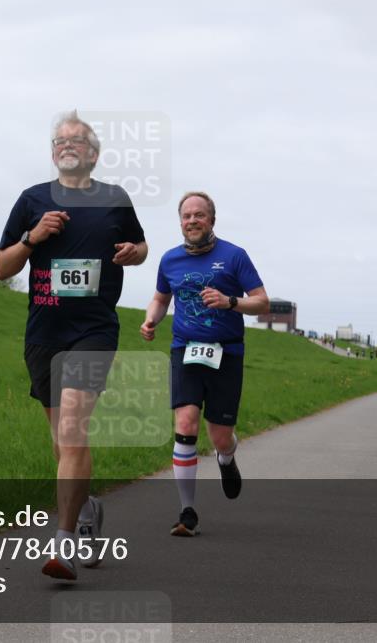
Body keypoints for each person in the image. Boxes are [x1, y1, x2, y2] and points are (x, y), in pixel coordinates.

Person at [0, 110, 148, 580]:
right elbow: (2, 267)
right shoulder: (32, 200)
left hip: (94, 330)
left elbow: (141, 247)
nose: (67, 145)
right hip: (44, 332)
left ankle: (61, 544)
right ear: (52, 152)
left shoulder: (115, 200)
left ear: (94, 154)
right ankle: (86, 513)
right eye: (60, 140)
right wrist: (32, 237)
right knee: (63, 441)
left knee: (73, 427)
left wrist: (132, 253)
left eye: (77, 141)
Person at [140, 192, 269, 537]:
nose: (192, 220)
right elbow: (160, 298)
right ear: (180, 222)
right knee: (185, 421)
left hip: (227, 352)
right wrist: (151, 320)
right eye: (186, 216)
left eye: (199, 215)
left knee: (219, 435)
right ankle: (187, 512)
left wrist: (230, 302)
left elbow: (262, 302)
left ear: (211, 220)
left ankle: (226, 458)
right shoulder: (169, 260)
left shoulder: (234, 256)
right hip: (186, 349)